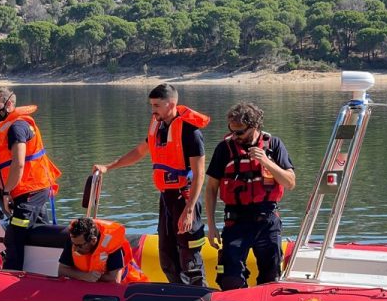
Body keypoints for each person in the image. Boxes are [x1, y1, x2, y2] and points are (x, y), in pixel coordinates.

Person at [93, 83, 209, 286]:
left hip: (185, 198)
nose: (153, 110)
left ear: (171, 104)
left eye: (156, 105)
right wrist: (108, 167)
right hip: (166, 198)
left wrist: (189, 209)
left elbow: (199, 174)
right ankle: (178, 295)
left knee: (189, 259)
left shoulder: (191, 132)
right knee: (166, 258)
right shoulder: (158, 126)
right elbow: (139, 152)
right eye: (151, 105)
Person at [205, 102, 295, 289]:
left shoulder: (274, 145)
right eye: (231, 130)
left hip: (267, 219)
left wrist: (266, 162)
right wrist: (211, 226)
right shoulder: (224, 149)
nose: (235, 136)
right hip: (236, 220)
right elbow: (211, 188)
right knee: (231, 277)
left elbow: (290, 182)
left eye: (240, 132)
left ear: (254, 126)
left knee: (271, 276)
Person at [0, 86, 62, 271]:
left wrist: (6, 192)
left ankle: (11, 277)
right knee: (38, 230)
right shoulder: (11, 126)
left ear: (9, 104)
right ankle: (46, 272)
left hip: (31, 190)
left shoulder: (17, 127)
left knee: (14, 234)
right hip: (28, 190)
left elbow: (18, 164)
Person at [58, 217, 148, 283]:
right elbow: (61, 270)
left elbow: (115, 279)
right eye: (73, 244)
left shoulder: (112, 244)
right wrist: (85, 276)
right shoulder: (75, 240)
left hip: (128, 283)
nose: (75, 248)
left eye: (79, 246)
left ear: (93, 240)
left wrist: (93, 278)